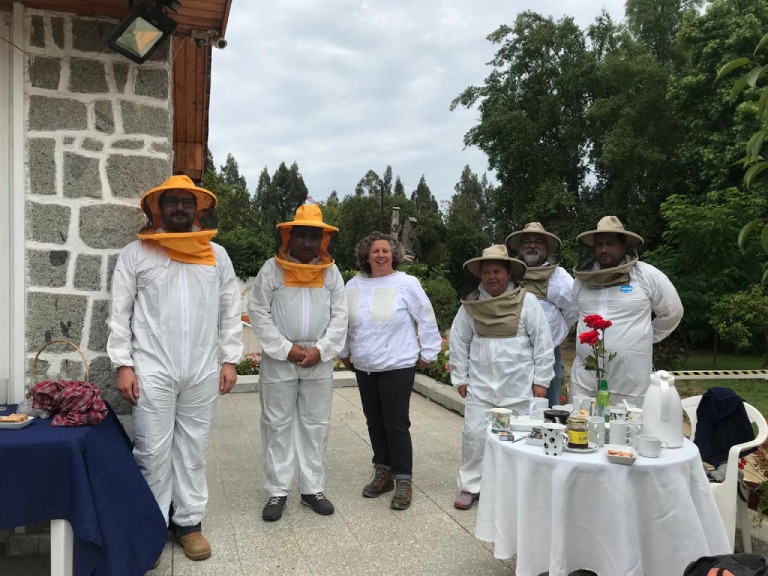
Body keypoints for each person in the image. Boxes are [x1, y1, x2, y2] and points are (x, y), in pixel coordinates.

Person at [107, 174, 242, 562]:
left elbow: (230, 311)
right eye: (172, 202)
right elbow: (120, 312)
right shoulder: (136, 253)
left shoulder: (217, 255)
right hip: (151, 367)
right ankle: (151, 526)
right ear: (158, 208)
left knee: (193, 448)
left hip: (201, 368)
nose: (180, 208)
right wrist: (123, 364)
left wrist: (230, 358)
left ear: (197, 208)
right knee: (151, 449)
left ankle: (189, 524)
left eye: (187, 201)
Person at [247, 204, 347, 522]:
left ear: (323, 239)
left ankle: (311, 489)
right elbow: (258, 312)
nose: (307, 241)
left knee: (315, 425)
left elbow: (341, 316)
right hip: (280, 360)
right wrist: (284, 348)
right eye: (302, 234)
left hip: (318, 361)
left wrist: (322, 349)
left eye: (313, 235)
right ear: (290, 235)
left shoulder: (332, 273)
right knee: (276, 425)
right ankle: (278, 491)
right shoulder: (271, 270)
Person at [339, 231, 441, 511]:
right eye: (375, 251)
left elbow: (426, 318)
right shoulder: (353, 285)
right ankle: (382, 470)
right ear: (366, 256)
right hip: (366, 366)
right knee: (374, 421)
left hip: (398, 364)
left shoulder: (406, 283)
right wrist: (345, 352)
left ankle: (403, 479)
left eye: (386, 250)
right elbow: (345, 322)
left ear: (393, 255)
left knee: (396, 423)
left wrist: (428, 354)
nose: (381, 255)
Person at [450, 244, 555, 510]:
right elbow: (459, 341)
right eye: (486, 272)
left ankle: (518, 488)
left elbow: (543, 343)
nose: (492, 277)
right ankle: (470, 486)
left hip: (518, 388)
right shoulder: (470, 305)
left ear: (508, 273)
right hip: (481, 387)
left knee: (519, 439)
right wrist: (460, 379)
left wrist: (541, 381)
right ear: (480, 275)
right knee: (474, 437)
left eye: (497, 271)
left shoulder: (527, 302)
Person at [571, 216, 683, 406]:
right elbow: (575, 312)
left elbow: (673, 312)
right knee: (581, 429)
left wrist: (645, 336)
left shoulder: (647, 275)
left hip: (630, 380)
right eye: (599, 244)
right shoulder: (582, 280)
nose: (604, 249)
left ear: (624, 246)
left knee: (628, 431)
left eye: (610, 243)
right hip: (585, 377)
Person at [506, 222, 577, 409]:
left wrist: (552, 333)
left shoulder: (559, 276)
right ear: (518, 247)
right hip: (511, 353)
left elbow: (573, 311)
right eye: (526, 241)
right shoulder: (509, 273)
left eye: (538, 241)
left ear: (546, 249)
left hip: (548, 355)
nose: (532, 245)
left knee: (548, 413)